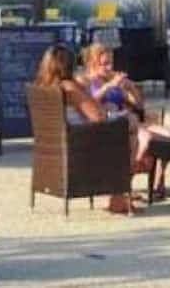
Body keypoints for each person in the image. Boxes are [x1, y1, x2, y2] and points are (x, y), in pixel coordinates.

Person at [34, 44, 135, 214]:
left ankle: (121, 194)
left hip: (55, 146)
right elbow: (98, 116)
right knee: (129, 127)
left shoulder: (43, 87)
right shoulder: (69, 87)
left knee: (126, 126)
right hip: (80, 145)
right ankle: (118, 196)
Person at [78, 43, 170, 198]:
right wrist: (109, 86)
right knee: (146, 138)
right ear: (92, 63)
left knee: (168, 135)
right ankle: (125, 183)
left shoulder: (113, 79)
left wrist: (129, 88)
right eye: (104, 64)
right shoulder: (86, 81)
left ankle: (159, 183)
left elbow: (138, 105)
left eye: (111, 63)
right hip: (109, 126)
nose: (109, 67)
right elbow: (89, 102)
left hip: (129, 120)